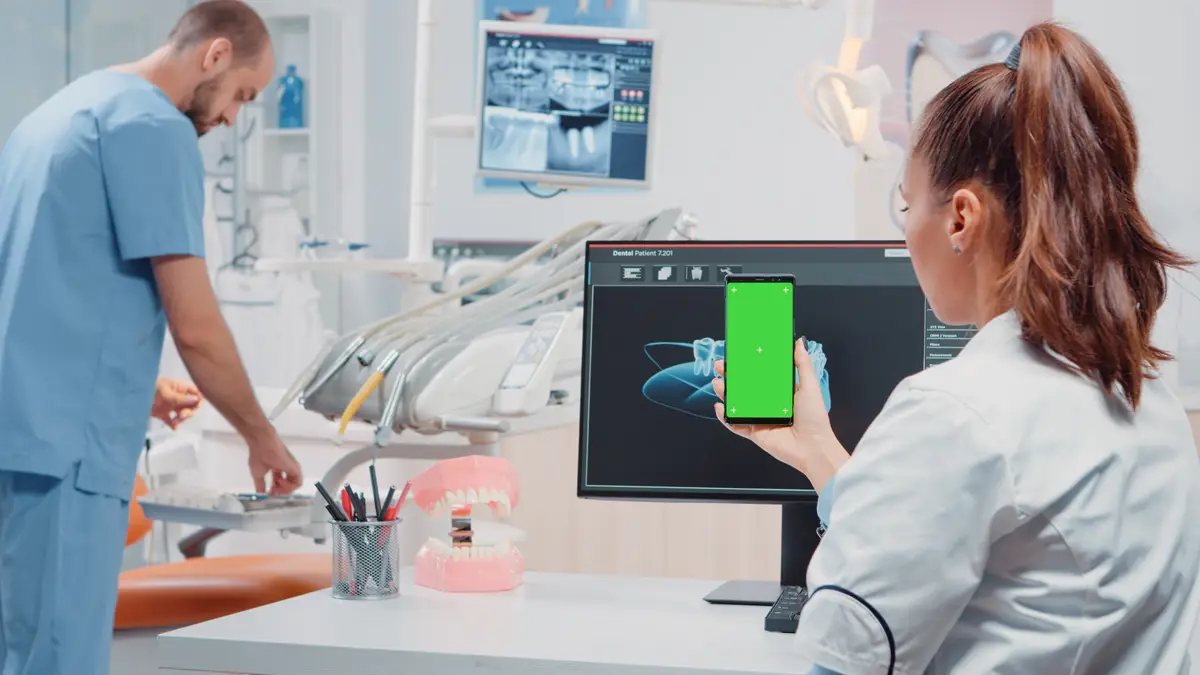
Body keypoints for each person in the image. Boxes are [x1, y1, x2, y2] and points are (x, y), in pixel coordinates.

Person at [714, 22, 1200, 675]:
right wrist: (819, 452)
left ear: (961, 218)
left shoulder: (953, 411)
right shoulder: (1147, 399)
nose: (905, 230)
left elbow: (848, 660)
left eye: (906, 204)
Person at [0, 2, 303, 672]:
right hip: (68, 456)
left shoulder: (56, 115)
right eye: (242, 95)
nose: (233, 118)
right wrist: (260, 437)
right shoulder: (153, 128)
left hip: (21, 438)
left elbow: (40, 287)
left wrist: (134, 388)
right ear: (216, 54)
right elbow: (196, 327)